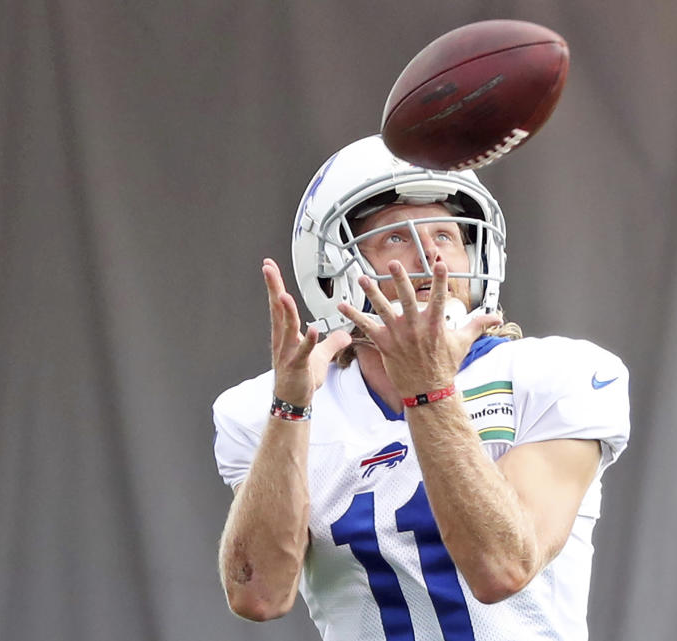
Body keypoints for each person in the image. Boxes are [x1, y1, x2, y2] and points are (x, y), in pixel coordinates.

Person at [213, 135, 631, 641]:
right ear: (333, 273)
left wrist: (428, 388)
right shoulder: (272, 406)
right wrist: (289, 412)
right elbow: (259, 596)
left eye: (447, 235)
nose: (432, 257)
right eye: (397, 238)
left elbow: (503, 569)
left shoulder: (554, 376)